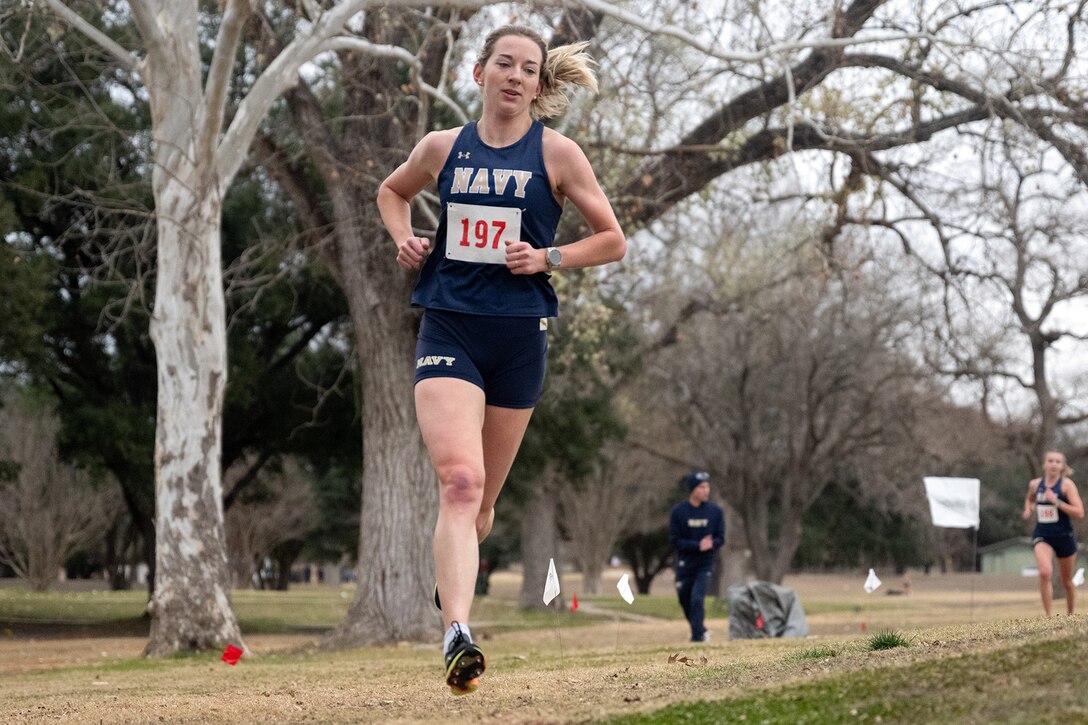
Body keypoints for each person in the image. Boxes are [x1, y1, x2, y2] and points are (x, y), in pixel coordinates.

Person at [376, 25, 625, 695]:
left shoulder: (559, 154)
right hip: (450, 328)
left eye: (529, 69)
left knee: (481, 504)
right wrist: (405, 239)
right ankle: (457, 631)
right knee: (459, 482)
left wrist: (548, 257)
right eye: (504, 64)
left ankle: (452, 575)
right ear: (479, 71)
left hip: (519, 339)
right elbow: (391, 192)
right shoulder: (441, 147)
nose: (515, 76)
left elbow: (612, 240)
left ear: (539, 86)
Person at [1022, 450, 1085, 616]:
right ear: (1044, 464)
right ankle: (1048, 617)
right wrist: (1028, 508)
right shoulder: (1035, 484)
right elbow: (1030, 498)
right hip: (1043, 535)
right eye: (1050, 461)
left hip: (1064, 536)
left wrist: (1057, 501)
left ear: (1062, 466)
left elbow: (1079, 512)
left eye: (1058, 462)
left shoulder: (1066, 485)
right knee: (1044, 572)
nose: (1054, 464)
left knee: (1067, 581)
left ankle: (1070, 615)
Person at [669, 470, 725, 642]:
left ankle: (697, 638)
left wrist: (712, 544)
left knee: (697, 599)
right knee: (685, 600)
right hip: (685, 564)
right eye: (702, 487)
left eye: (707, 486)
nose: (706, 490)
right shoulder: (678, 512)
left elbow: (720, 538)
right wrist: (697, 545)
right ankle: (701, 630)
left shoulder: (715, 512)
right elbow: (674, 540)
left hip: (705, 564)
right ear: (693, 489)